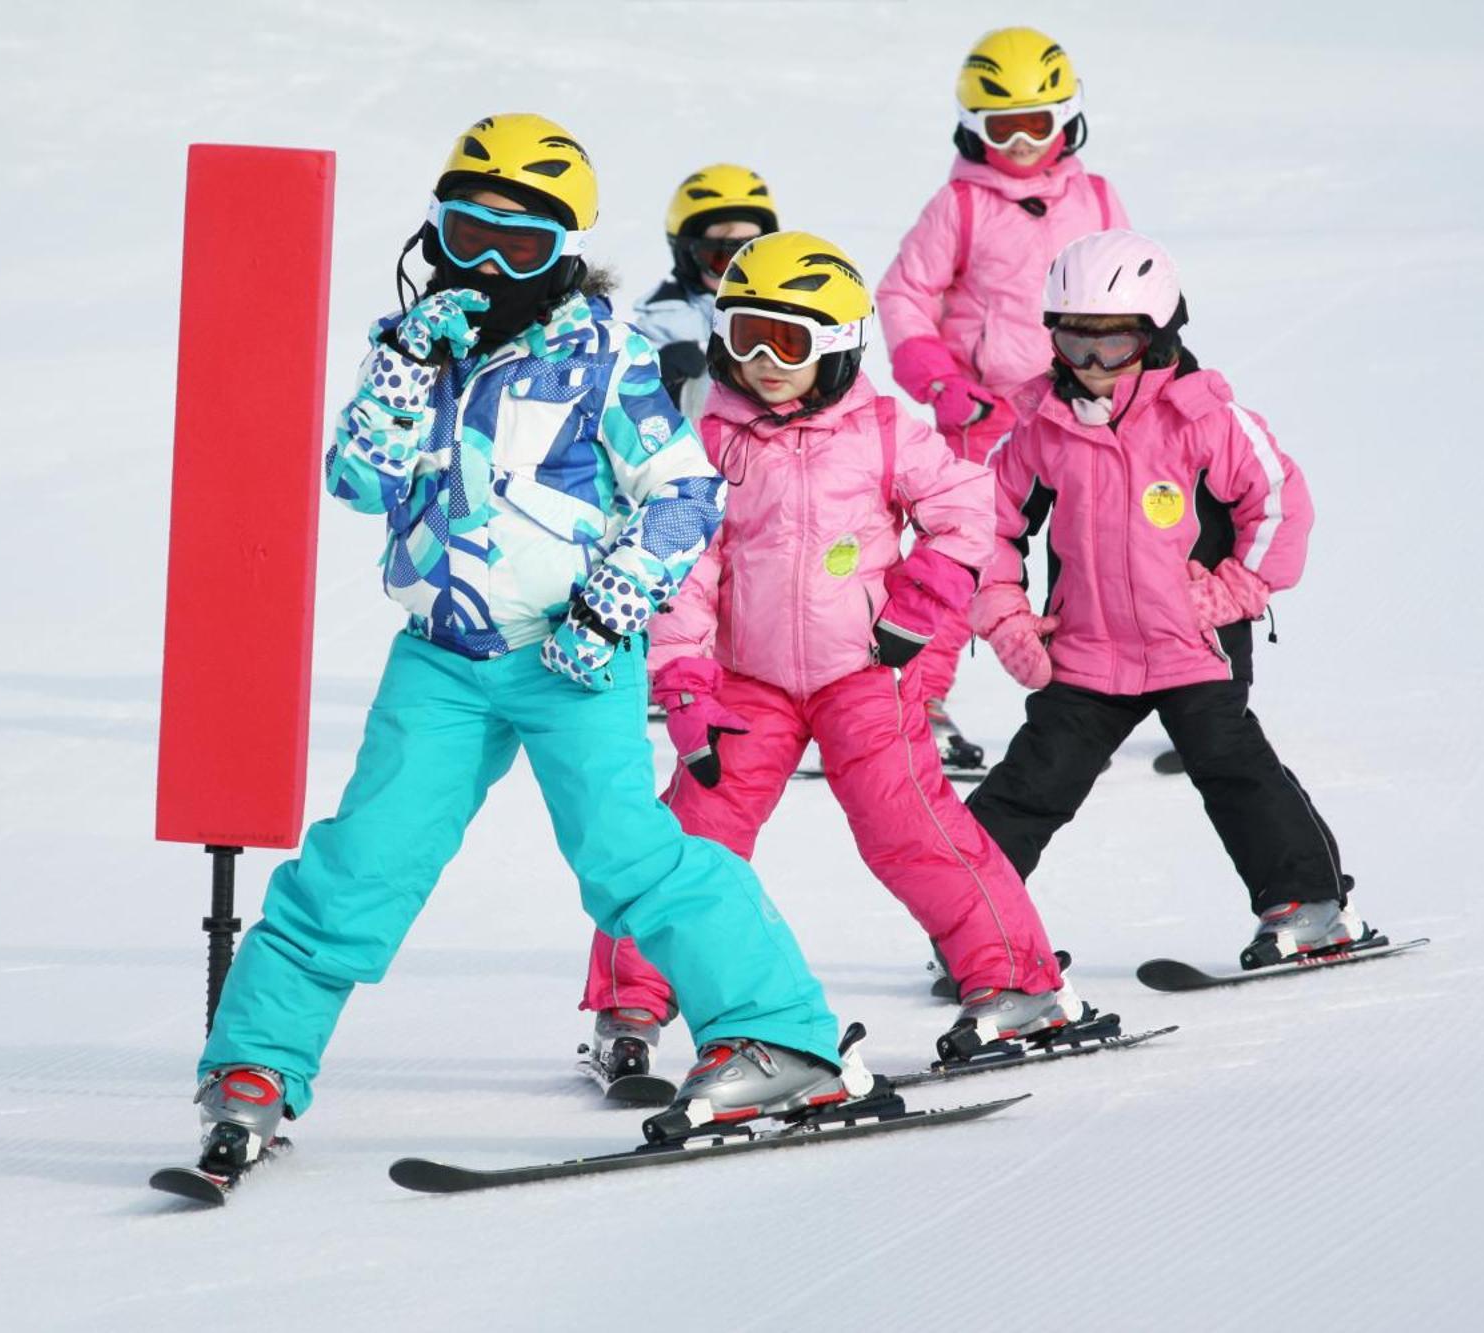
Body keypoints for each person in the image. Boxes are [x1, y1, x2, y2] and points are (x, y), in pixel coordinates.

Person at [190, 116, 873, 1180]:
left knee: (626, 858)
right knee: (361, 862)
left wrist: (611, 604)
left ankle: (777, 1035)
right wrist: (408, 366)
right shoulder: (415, 348)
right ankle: (254, 1068)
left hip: (572, 655)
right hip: (441, 656)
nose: (490, 264)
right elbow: (357, 480)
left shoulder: (608, 355)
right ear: (435, 233)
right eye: (469, 234)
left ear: (563, 251)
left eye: (521, 245)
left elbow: (683, 493)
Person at [581, 230, 1094, 1085]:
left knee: (914, 831)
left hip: (863, 672)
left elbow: (967, 509)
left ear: (839, 345)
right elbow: (686, 569)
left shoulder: (884, 431)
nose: (763, 363)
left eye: (787, 342)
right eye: (744, 335)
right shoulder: (707, 440)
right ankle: (630, 1005)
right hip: (748, 684)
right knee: (687, 837)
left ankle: (1018, 982)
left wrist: (922, 600)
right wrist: (682, 678)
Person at [965, 229, 1376, 969]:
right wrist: (1007, 617)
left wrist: (1234, 590)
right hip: (1089, 648)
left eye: (1112, 344)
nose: (1090, 365)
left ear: (1157, 336)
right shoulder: (1040, 426)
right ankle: (975, 933)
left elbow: (1279, 504)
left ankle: (1308, 905)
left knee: (1231, 765)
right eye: (1072, 342)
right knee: (1030, 785)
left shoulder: (1202, 416)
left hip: (1194, 640)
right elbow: (983, 526)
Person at [876, 27, 1132, 775]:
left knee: (1105, 551)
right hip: (984, 419)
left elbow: (1131, 293)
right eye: (1001, 127)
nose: (1020, 144)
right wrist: (943, 384)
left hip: (1081, 409)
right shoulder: (959, 205)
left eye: (1036, 124)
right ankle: (914, 698)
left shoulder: (1098, 197)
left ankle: (1140, 686)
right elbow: (902, 295)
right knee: (964, 559)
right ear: (972, 127)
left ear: (1067, 118)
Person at [635, 163, 778, 422]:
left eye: (749, 254)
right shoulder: (660, 325)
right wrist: (660, 380)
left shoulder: (785, 313)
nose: (738, 272)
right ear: (688, 255)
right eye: (720, 257)